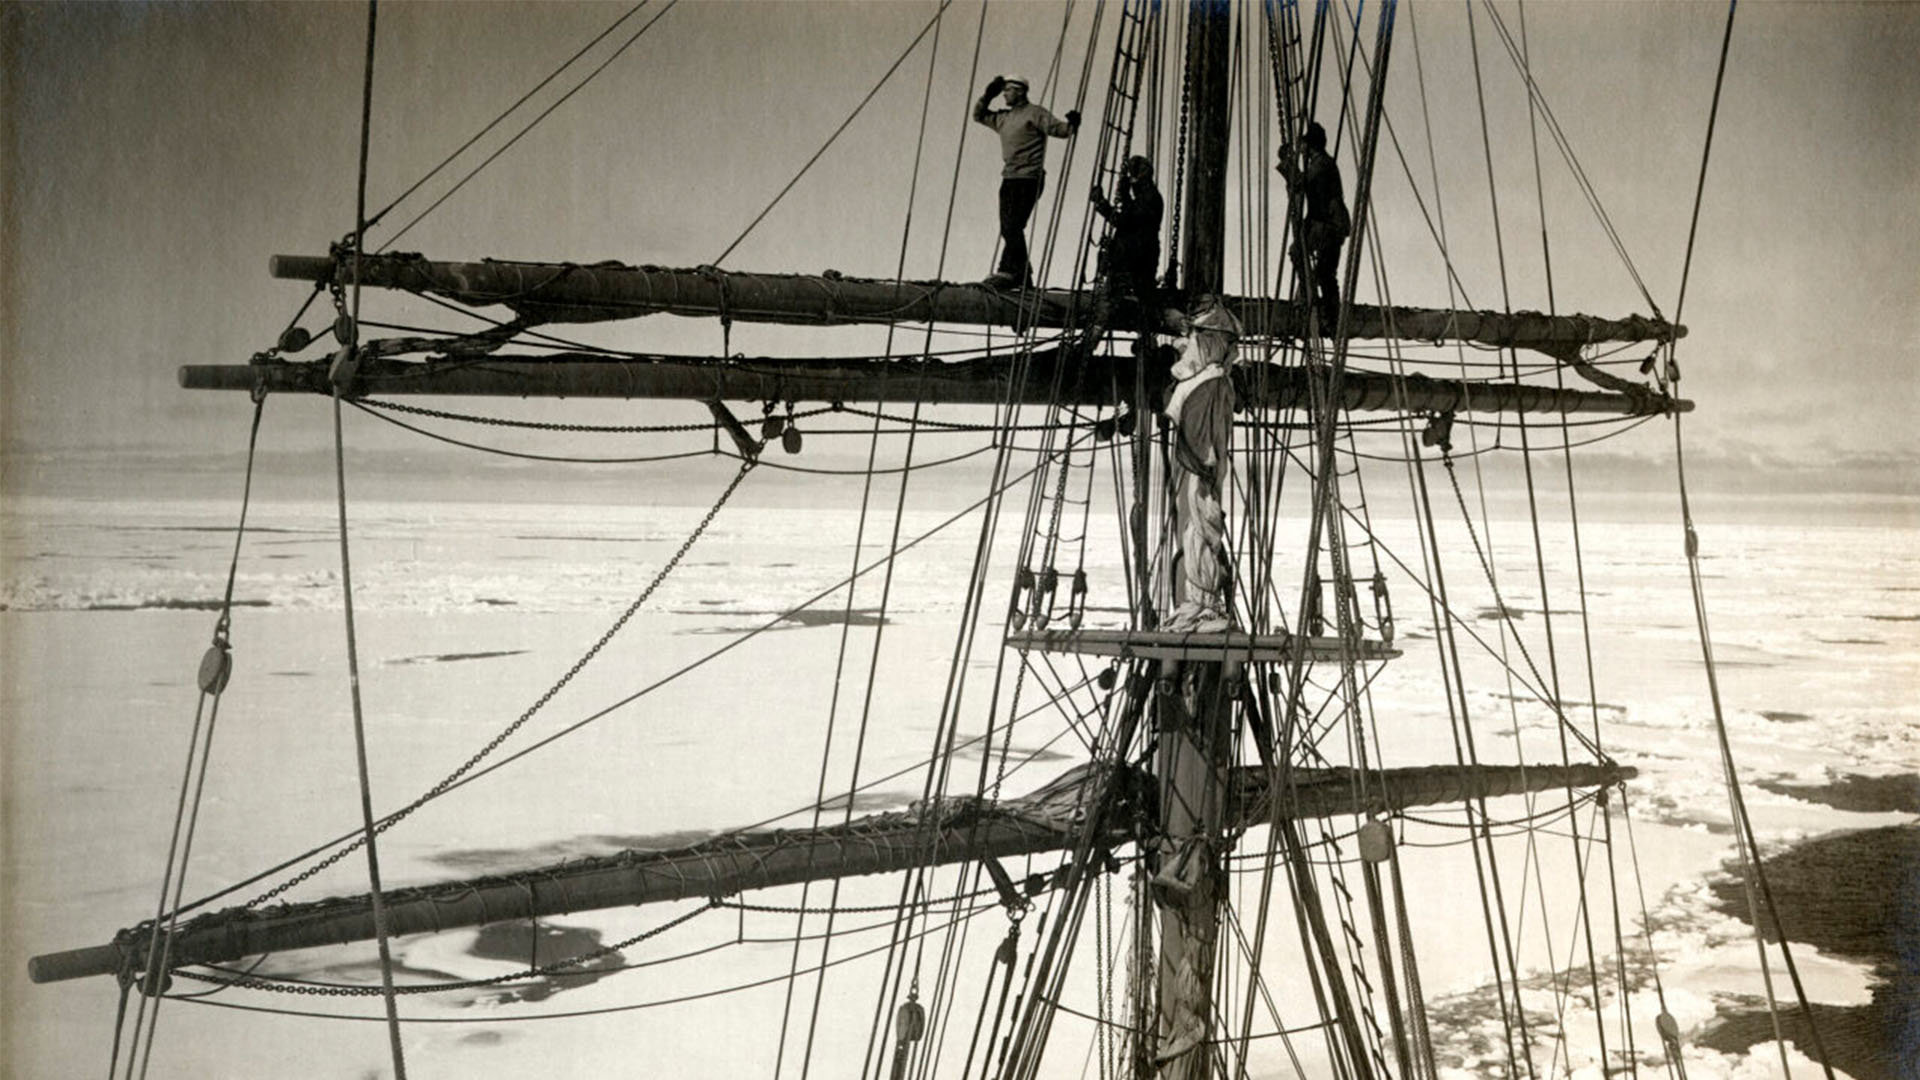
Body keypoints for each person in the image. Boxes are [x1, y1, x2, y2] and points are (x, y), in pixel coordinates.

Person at [973, 75, 1079, 288]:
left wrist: (1073, 123)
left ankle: (1010, 271)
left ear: (1020, 91)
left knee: (1012, 227)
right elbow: (978, 116)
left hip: (1029, 180)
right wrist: (987, 95)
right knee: (1009, 227)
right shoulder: (1002, 118)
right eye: (1002, 91)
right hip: (1010, 178)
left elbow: (1062, 130)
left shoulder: (1035, 114)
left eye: (1008, 90)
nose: (1004, 94)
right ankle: (1021, 274)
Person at [1275, 121, 1350, 330]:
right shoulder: (1321, 163)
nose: (1302, 150)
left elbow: (1300, 184)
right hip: (1329, 225)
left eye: (1304, 146)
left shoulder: (1322, 164)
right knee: (1326, 274)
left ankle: (1310, 297)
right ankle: (1329, 315)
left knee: (1299, 253)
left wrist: (1286, 161)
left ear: (1312, 146)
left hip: (1327, 226)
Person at [1090, 155, 1163, 303]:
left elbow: (1127, 222)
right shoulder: (1147, 196)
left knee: (1121, 299)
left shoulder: (1150, 198)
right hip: (1137, 261)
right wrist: (1125, 197)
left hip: (1136, 264)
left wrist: (1103, 203)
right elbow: (1131, 219)